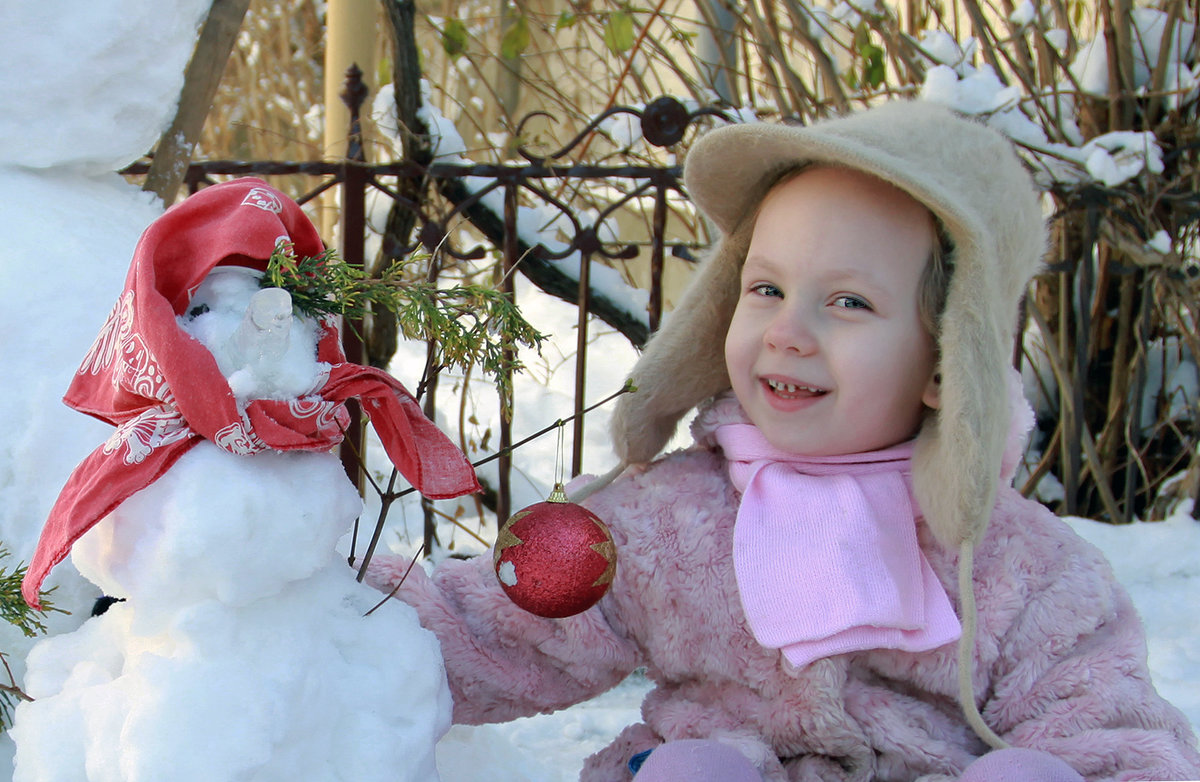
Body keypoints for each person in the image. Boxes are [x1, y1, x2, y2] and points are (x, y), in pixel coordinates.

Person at [366, 101, 1200, 781]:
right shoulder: (671, 523)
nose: (788, 331)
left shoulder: (1020, 568)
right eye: (766, 288)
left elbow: (1115, 731)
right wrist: (304, 604)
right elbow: (488, 634)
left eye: (847, 303)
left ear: (949, 359)